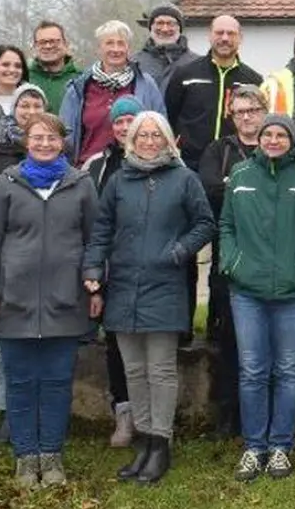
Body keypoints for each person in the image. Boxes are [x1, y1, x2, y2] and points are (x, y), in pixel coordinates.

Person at [83, 112, 214, 485]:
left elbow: (205, 223)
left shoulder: (183, 178)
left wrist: (178, 251)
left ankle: (161, 443)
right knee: (134, 371)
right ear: (132, 140)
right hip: (123, 285)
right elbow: (102, 229)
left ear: (168, 139)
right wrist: (93, 269)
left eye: (157, 135)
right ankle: (142, 438)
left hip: (165, 284)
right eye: (143, 135)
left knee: (160, 370)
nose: (150, 140)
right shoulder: (120, 181)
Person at [0, 113, 98, 487]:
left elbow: (95, 241)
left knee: (58, 382)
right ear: (27, 142)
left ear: (63, 143)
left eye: (52, 138)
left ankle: (52, 455)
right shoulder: (5, 184)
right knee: (21, 382)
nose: (45, 144)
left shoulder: (81, 185)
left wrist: (95, 283)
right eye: (38, 137)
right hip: (14, 302)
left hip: (66, 300)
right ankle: (26, 457)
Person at [218, 114, 295, 482]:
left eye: (282, 134)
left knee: (288, 369)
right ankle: (254, 446)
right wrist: (232, 262)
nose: (275, 140)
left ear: (292, 140)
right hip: (247, 290)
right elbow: (227, 225)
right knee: (252, 370)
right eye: (269, 134)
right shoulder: (241, 175)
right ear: (259, 139)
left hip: (294, 290)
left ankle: (281, 445)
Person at [197, 85, 267, 438]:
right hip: (229, 253)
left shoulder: (277, 143)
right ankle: (227, 413)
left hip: (270, 255)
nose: (247, 117)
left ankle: (260, 411)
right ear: (231, 116)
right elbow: (209, 187)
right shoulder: (219, 149)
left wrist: (235, 185)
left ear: (263, 110)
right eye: (240, 112)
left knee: (264, 340)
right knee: (229, 340)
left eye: (252, 110)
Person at [80, 94, 146, 448]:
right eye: (119, 121)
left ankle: (151, 415)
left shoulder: (161, 159)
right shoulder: (96, 166)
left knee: (151, 344)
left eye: (130, 120)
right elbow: (90, 224)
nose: (124, 127)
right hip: (111, 268)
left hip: (150, 269)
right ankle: (124, 412)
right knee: (116, 344)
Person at [60, 20, 165, 166]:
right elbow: (65, 136)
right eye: (109, 43)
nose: (116, 49)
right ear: (99, 48)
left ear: (129, 49)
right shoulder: (79, 88)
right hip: (87, 170)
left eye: (121, 43)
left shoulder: (146, 84)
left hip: (134, 169)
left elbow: (160, 129)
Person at [165, 14, 263, 170]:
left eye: (231, 33)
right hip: (190, 165)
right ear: (209, 36)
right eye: (219, 32)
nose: (225, 38)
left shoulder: (253, 80)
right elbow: (169, 116)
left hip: (236, 164)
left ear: (240, 38)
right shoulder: (185, 75)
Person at [133, 4, 199, 93]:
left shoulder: (196, 63)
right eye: (159, 23)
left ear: (179, 28)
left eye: (170, 24)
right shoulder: (134, 63)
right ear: (151, 27)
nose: (165, 29)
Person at [27, 20, 81, 115]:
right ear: (35, 46)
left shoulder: (80, 78)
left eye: (53, 41)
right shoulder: (25, 77)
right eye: (42, 42)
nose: (48, 46)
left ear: (65, 44)